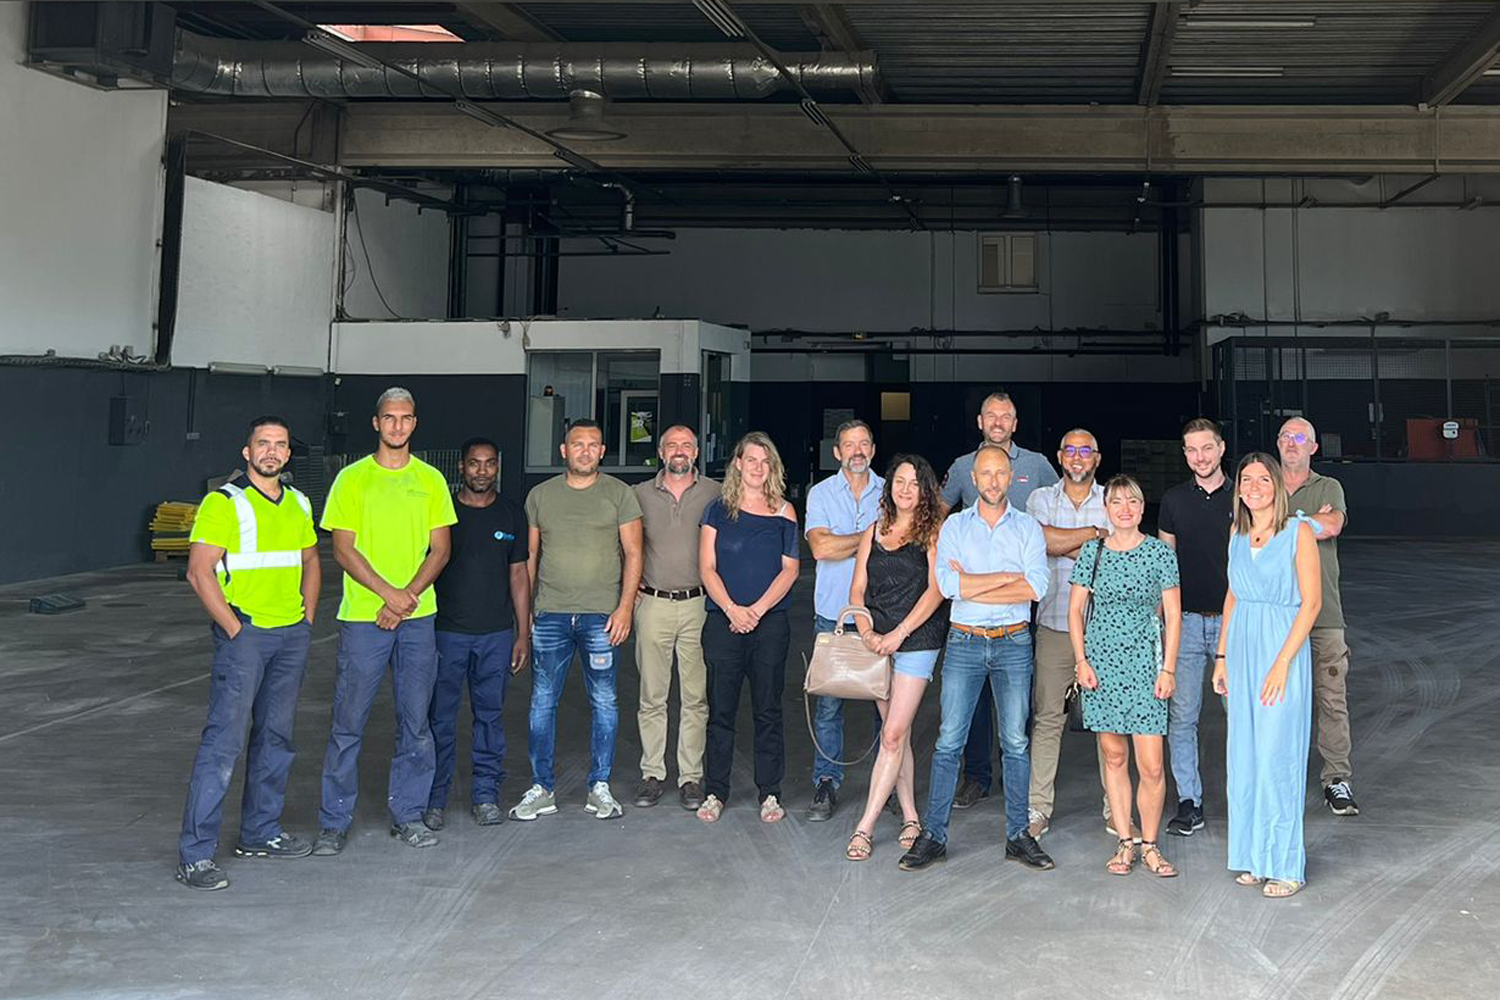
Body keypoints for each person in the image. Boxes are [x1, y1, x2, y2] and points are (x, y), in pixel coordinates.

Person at [176, 416, 321, 890]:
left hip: (290, 635)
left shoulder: (298, 502)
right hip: (248, 637)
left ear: (288, 454)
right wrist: (236, 628)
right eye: (264, 444)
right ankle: (195, 855)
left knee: (276, 738)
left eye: (280, 445)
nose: (272, 452)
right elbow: (199, 573)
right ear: (247, 451)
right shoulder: (224, 503)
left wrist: (307, 619)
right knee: (224, 743)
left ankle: (260, 833)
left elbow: (311, 560)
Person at [313, 388, 456, 855]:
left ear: (415, 423)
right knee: (348, 722)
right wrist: (389, 595)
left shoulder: (431, 480)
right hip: (362, 617)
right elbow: (342, 548)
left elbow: (441, 549)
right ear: (376, 423)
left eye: (405, 418)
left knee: (416, 723)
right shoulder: (352, 480)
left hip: (416, 617)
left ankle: (408, 814)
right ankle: (334, 821)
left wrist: (405, 598)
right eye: (389, 418)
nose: (397, 426)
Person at [899, 444, 1054, 872]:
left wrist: (976, 582)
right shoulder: (953, 527)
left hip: (1013, 641)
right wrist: (1007, 577)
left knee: (1016, 743)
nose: (991, 481)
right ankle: (934, 835)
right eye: (984, 473)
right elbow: (948, 585)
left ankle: (1019, 835)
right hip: (965, 642)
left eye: (999, 473)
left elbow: (1036, 587)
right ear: (974, 477)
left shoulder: (1028, 528)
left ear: (1010, 477)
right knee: (949, 740)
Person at [511, 419, 643, 822]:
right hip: (550, 614)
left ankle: (599, 786)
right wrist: (528, 610)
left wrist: (624, 608)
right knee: (541, 702)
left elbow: (634, 553)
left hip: (602, 617)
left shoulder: (619, 495)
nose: (585, 451)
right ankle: (541, 787)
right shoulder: (540, 496)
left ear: (602, 452)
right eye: (577, 444)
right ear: (563, 451)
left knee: (604, 701)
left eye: (593, 445)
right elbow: (530, 557)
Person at [940, 392, 1059, 810]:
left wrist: (973, 582)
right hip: (974, 610)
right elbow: (936, 516)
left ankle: (1016, 778)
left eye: (1005, 416)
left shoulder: (1038, 465)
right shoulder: (960, 467)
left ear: (1015, 422)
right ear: (979, 421)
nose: (998, 421)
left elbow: (1057, 511)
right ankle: (977, 776)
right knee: (971, 704)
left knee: (1016, 700)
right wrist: (954, 572)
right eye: (991, 415)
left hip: (1019, 608)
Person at [1213, 453, 1322, 898]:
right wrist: (1221, 656)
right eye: (1246, 479)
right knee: (1245, 757)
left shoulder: (1298, 532)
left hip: (1282, 651)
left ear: (1277, 486)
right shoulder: (1237, 533)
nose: (1254, 486)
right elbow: (1233, 597)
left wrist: (1282, 662)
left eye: (1263, 479)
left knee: (1278, 757)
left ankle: (1286, 864)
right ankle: (1256, 855)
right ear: (1238, 487)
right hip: (1241, 651)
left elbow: (1311, 604)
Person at [1068, 475, 1183, 878]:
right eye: (1117, 502)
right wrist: (1081, 661)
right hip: (1102, 666)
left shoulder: (1158, 553)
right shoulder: (1092, 551)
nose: (1125, 509)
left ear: (1141, 507)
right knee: (1114, 757)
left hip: (1146, 665)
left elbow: (1172, 614)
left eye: (1132, 501)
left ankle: (1150, 844)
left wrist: (1168, 667)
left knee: (1150, 764)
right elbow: (1075, 611)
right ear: (1107, 509)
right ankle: (1125, 841)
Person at [842, 455, 947, 861]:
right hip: (876, 641)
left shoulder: (933, 531)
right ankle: (909, 816)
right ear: (889, 488)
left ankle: (864, 826)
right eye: (898, 481)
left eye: (913, 483)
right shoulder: (873, 530)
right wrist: (867, 631)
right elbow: (857, 590)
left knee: (891, 734)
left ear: (925, 490)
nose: (905, 489)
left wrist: (898, 635)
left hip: (917, 639)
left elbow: (936, 591)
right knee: (894, 733)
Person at [422, 437, 530, 831]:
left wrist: (523, 633)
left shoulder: (511, 515)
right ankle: (434, 799)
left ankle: (486, 795)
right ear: (461, 468)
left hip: (496, 635)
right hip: (446, 633)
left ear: (497, 468)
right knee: (440, 719)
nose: (481, 471)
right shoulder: (442, 513)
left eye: (488, 464)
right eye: (473, 464)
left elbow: (518, 575)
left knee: (490, 717)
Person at [695, 432, 800, 824]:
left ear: (771, 467)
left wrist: (755, 610)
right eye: (750, 459)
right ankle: (714, 791)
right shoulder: (717, 511)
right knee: (720, 710)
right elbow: (706, 567)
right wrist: (732, 609)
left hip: (769, 624)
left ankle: (769, 792)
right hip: (723, 623)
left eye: (764, 461)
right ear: (737, 463)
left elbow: (790, 570)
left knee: (768, 710)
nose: (757, 467)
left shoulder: (784, 512)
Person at [1022, 429, 1111, 841]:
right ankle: (1038, 808)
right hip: (1054, 626)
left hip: (1103, 629)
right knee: (1047, 720)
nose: (1078, 458)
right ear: (1060, 456)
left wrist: (1062, 543)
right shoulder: (1040, 498)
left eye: (1085, 451)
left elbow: (1116, 555)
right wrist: (1095, 535)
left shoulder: (1114, 499)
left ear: (1096, 458)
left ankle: (1116, 807)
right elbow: (1039, 541)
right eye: (1071, 450)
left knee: (1108, 721)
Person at [632, 425, 719, 811]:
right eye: (672, 445)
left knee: (695, 697)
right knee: (652, 695)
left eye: (686, 445)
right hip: (652, 604)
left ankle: (690, 777)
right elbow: (626, 546)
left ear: (697, 452)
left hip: (700, 604)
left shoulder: (716, 493)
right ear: (660, 452)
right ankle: (652, 773)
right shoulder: (638, 495)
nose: (679, 451)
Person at [1278, 417, 1358, 817]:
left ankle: (1337, 779)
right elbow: (1249, 534)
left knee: (1331, 699)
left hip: (1324, 614)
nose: (1292, 444)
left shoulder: (1330, 487)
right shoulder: (1264, 484)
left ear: (1313, 447)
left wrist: (1290, 524)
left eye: (1300, 438)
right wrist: (1309, 523)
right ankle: (1282, 776)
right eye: (1286, 437)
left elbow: (1334, 524)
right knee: (1279, 701)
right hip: (1274, 616)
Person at [1158, 417, 1234, 837]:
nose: (1200, 457)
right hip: (1184, 623)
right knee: (1182, 717)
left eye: (1207, 448)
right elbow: (1166, 567)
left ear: (1221, 448)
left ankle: (1244, 794)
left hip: (1231, 623)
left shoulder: (1243, 495)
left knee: (1238, 714)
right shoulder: (1172, 500)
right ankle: (1190, 801)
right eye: (1191, 450)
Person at [804, 419, 883, 822]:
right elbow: (820, 547)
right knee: (829, 706)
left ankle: (885, 788)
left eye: (863, 443)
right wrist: (872, 540)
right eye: (849, 445)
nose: (857, 451)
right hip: (831, 616)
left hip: (881, 617)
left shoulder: (890, 492)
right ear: (836, 452)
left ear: (873, 448)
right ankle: (826, 783)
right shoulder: (820, 493)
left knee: (884, 708)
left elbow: (905, 547)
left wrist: (846, 543)